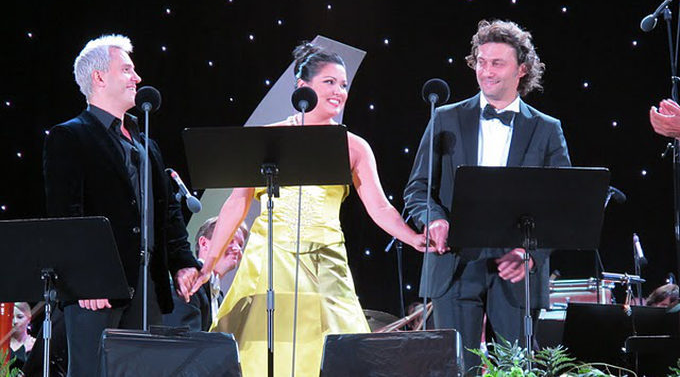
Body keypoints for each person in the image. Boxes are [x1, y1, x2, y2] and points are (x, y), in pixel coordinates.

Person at [189, 41, 435, 377]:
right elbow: (237, 203)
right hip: (271, 259)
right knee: (258, 352)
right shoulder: (267, 137)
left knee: (338, 352)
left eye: (344, 84)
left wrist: (412, 238)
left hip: (325, 262)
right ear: (303, 87)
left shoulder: (354, 146)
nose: (339, 91)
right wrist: (209, 263)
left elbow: (378, 206)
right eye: (329, 82)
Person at [404, 19, 571, 373]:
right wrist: (433, 218)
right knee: (456, 368)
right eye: (481, 61)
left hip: (516, 268)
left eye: (497, 63)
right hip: (455, 262)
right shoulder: (444, 119)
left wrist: (529, 251)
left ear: (521, 69)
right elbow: (418, 189)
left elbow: (561, 204)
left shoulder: (546, 129)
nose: (486, 71)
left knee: (515, 368)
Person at [43, 34, 199, 377]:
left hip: (148, 285)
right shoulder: (70, 136)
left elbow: (167, 212)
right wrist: (85, 279)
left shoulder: (147, 144)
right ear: (99, 78)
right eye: (127, 69)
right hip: (97, 289)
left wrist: (183, 261)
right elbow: (66, 215)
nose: (137, 78)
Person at [163, 218, 248, 331]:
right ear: (203, 243)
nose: (237, 249)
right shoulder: (187, 285)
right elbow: (184, 343)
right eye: (230, 240)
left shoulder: (219, 297)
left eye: (240, 245)